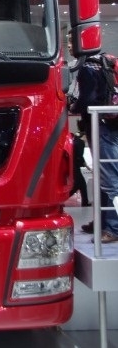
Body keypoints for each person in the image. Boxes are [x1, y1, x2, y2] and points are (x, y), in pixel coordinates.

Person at [68, 35, 118, 243]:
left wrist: (72, 106)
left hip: (101, 125)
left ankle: (113, 227)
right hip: (111, 123)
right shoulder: (106, 61)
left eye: (71, 42)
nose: (69, 45)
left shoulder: (88, 67)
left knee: (109, 178)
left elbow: (86, 100)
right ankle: (103, 222)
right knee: (105, 176)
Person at [70, 131, 91, 207]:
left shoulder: (76, 142)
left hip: (73, 166)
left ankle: (85, 202)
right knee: (77, 185)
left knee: (82, 185)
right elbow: (80, 157)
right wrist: (86, 166)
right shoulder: (81, 143)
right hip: (75, 167)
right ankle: (61, 200)